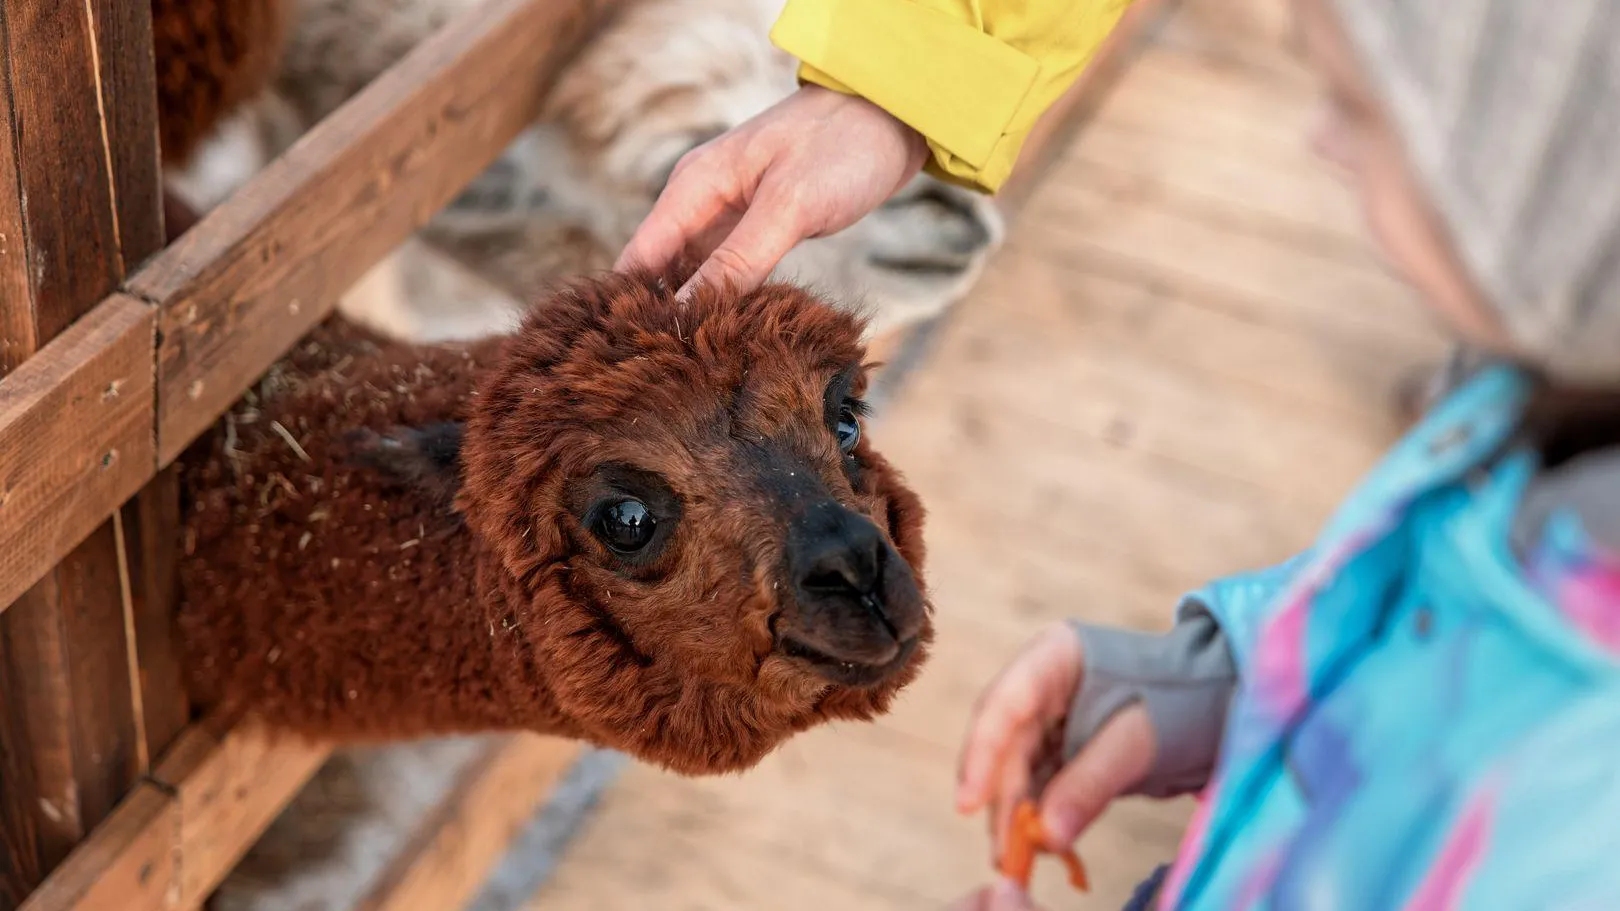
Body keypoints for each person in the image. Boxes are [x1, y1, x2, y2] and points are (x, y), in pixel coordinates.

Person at [624, 1, 1620, 909]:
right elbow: (1432, 637)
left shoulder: (1574, 832)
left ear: (1548, 199)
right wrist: (1227, 681)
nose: (1318, 137)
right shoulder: (1523, 441)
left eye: (1361, 110)